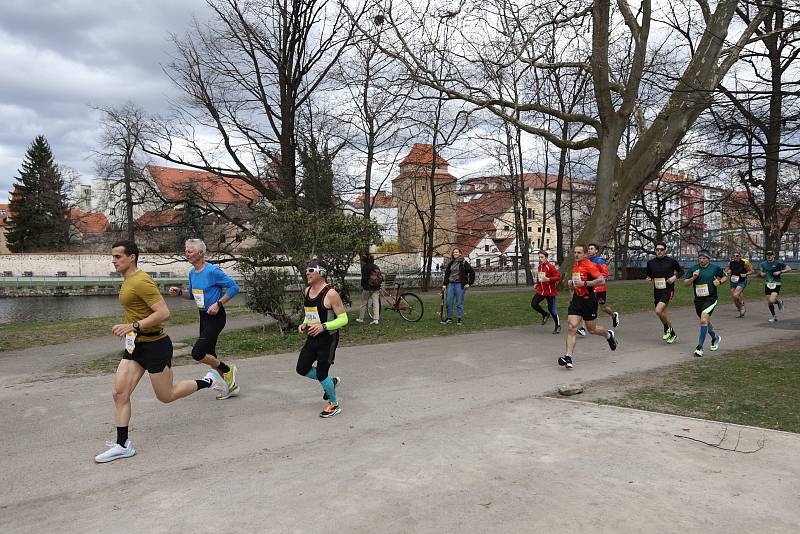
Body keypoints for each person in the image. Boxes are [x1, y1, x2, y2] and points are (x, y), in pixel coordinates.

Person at [95, 241, 228, 463]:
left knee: (167, 396)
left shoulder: (142, 281)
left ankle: (210, 380)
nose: (114, 261)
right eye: (113, 257)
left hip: (155, 346)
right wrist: (130, 328)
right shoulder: (127, 280)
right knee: (120, 393)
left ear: (132, 257)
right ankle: (122, 444)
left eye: (118, 257)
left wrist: (133, 326)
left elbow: (164, 313)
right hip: (135, 346)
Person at [168, 238, 240, 399]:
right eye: (186, 250)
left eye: (190, 251)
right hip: (203, 317)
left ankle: (228, 369)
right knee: (210, 354)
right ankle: (228, 387)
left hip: (216, 317)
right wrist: (180, 292)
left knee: (198, 353)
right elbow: (193, 295)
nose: (186, 254)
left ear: (200, 253)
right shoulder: (192, 273)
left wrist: (218, 304)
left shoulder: (213, 271)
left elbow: (235, 287)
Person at [296, 261, 348, 418]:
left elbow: (344, 319)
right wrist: (304, 324)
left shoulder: (331, 294)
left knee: (322, 372)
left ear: (322, 272)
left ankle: (334, 403)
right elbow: (310, 313)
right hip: (312, 337)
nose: (307, 273)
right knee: (302, 368)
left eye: (311, 270)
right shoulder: (307, 291)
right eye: (306, 270)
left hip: (328, 339)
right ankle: (330, 383)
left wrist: (323, 326)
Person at [559, 244, 618, 369]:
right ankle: (568, 357)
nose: (576, 255)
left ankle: (608, 335)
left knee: (592, 329)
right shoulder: (576, 265)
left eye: (579, 253)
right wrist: (571, 283)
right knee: (571, 327)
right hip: (577, 300)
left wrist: (585, 283)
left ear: (585, 254)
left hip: (589, 301)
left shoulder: (590, 265)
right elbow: (576, 281)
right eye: (575, 252)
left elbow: (601, 280)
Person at [683, 249, 727, 357]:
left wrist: (720, 281)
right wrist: (693, 277)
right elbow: (685, 283)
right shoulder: (694, 269)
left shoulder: (714, 268)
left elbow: (725, 277)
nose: (701, 260)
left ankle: (700, 347)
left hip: (711, 298)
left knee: (703, 320)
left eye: (704, 258)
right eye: (700, 258)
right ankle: (715, 338)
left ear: (708, 259)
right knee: (705, 322)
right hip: (698, 300)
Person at [645, 242, 684, 343]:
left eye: (662, 249)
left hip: (668, 289)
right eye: (657, 250)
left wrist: (674, 277)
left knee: (658, 311)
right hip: (657, 290)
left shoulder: (671, 261)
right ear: (655, 251)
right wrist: (649, 279)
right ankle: (672, 334)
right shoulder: (650, 263)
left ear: (665, 251)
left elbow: (681, 271)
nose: (659, 251)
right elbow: (649, 276)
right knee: (663, 314)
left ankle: (667, 330)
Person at [587, 243, 620, 328]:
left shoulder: (600, 261)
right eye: (589, 249)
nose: (589, 250)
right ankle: (583, 328)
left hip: (599, 288)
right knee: (586, 306)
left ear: (596, 251)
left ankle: (613, 315)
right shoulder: (587, 261)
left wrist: (596, 279)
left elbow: (605, 274)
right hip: (589, 287)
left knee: (603, 307)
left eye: (591, 249)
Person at [441, 247, 475, 326]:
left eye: (456, 252)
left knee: (459, 302)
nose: (455, 253)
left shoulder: (464, 263)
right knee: (449, 302)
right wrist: (444, 284)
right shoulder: (451, 263)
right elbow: (447, 274)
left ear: (460, 253)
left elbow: (472, 272)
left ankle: (459, 319)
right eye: (454, 252)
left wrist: (469, 283)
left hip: (459, 284)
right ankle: (449, 318)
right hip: (451, 284)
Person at [531, 250, 561, 334]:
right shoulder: (540, 267)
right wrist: (537, 284)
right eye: (539, 257)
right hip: (541, 291)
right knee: (534, 304)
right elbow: (539, 277)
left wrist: (549, 279)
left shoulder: (550, 266)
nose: (540, 259)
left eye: (542, 257)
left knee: (552, 310)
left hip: (550, 292)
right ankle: (544, 314)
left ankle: (558, 325)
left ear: (546, 258)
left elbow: (558, 277)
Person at [758, 250, 791, 322]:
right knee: (769, 302)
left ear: (773, 256)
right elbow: (761, 272)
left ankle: (779, 301)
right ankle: (774, 316)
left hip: (776, 283)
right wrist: (761, 274)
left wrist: (780, 272)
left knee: (771, 300)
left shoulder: (778, 263)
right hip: (767, 284)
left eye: (770, 255)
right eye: (767, 255)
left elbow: (789, 269)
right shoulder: (763, 264)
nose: (769, 256)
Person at [725, 251, 753, 318]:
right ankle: (740, 307)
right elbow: (726, 270)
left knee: (735, 295)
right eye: (734, 256)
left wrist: (745, 274)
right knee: (734, 297)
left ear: (740, 256)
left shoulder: (744, 263)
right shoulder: (730, 263)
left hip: (741, 281)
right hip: (733, 281)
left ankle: (742, 307)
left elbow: (751, 271)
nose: (735, 257)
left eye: (737, 256)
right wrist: (728, 271)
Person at [356, 254, 382, 325]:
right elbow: (380, 277)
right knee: (376, 303)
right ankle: (376, 319)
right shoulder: (376, 267)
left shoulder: (365, 267)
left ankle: (361, 318)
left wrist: (364, 286)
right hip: (376, 288)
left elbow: (364, 278)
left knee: (363, 303)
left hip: (367, 288)